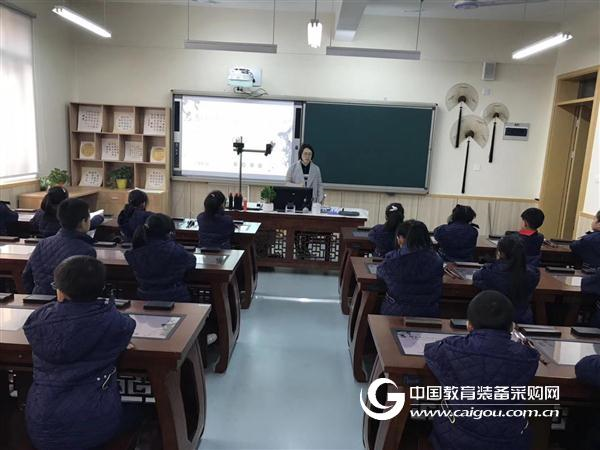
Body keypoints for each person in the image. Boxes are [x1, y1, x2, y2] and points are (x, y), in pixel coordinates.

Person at [24, 256, 136, 450]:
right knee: (142, 413)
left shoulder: (38, 320)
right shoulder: (115, 323)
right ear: (101, 289)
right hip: (96, 423)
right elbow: (128, 325)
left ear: (60, 292)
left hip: (40, 422)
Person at [424, 290, 540, 450]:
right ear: (511, 327)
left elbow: (430, 351)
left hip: (455, 438)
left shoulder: (452, 348)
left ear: (469, 325)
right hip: (510, 441)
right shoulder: (528, 357)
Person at [22, 198, 96, 294]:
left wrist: (35, 298)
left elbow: (26, 276)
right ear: (83, 222)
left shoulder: (42, 243)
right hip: (68, 304)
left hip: (40, 299)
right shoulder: (87, 250)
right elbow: (85, 287)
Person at [376, 220, 443, 317]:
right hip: (429, 312)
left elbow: (380, 273)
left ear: (401, 239)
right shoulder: (437, 259)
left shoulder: (393, 258)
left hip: (396, 311)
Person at [125, 213, 196, 302]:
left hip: (144, 298)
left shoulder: (136, 250)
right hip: (174, 298)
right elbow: (192, 262)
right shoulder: (175, 250)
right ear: (169, 233)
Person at [472, 235, 540, 323]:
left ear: (501, 253)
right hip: (523, 319)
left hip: (494, 319)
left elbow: (476, 278)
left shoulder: (490, 271)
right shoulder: (532, 273)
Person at [30, 186, 104, 238]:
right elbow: (86, 225)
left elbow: (32, 224)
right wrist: (100, 217)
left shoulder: (40, 213)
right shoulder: (66, 214)